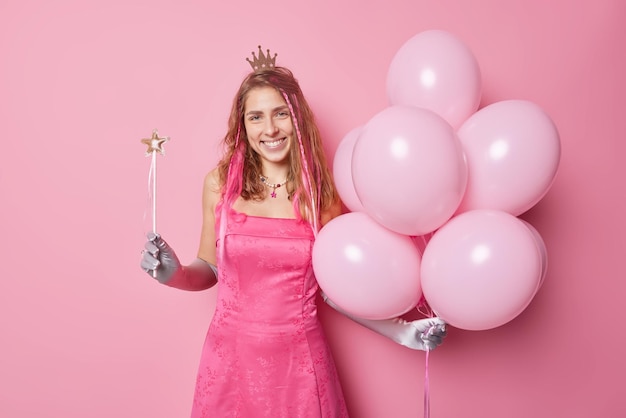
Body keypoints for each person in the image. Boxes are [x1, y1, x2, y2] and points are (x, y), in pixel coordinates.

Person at [140, 46, 446, 418]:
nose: (269, 129)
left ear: (297, 119)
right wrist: (173, 274)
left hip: (299, 366)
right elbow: (210, 267)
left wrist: (401, 331)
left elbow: (339, 291)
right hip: (228, 361)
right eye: (256, 117)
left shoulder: (323, 196)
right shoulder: (219, 184)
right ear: (243, 125)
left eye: (280, 114)